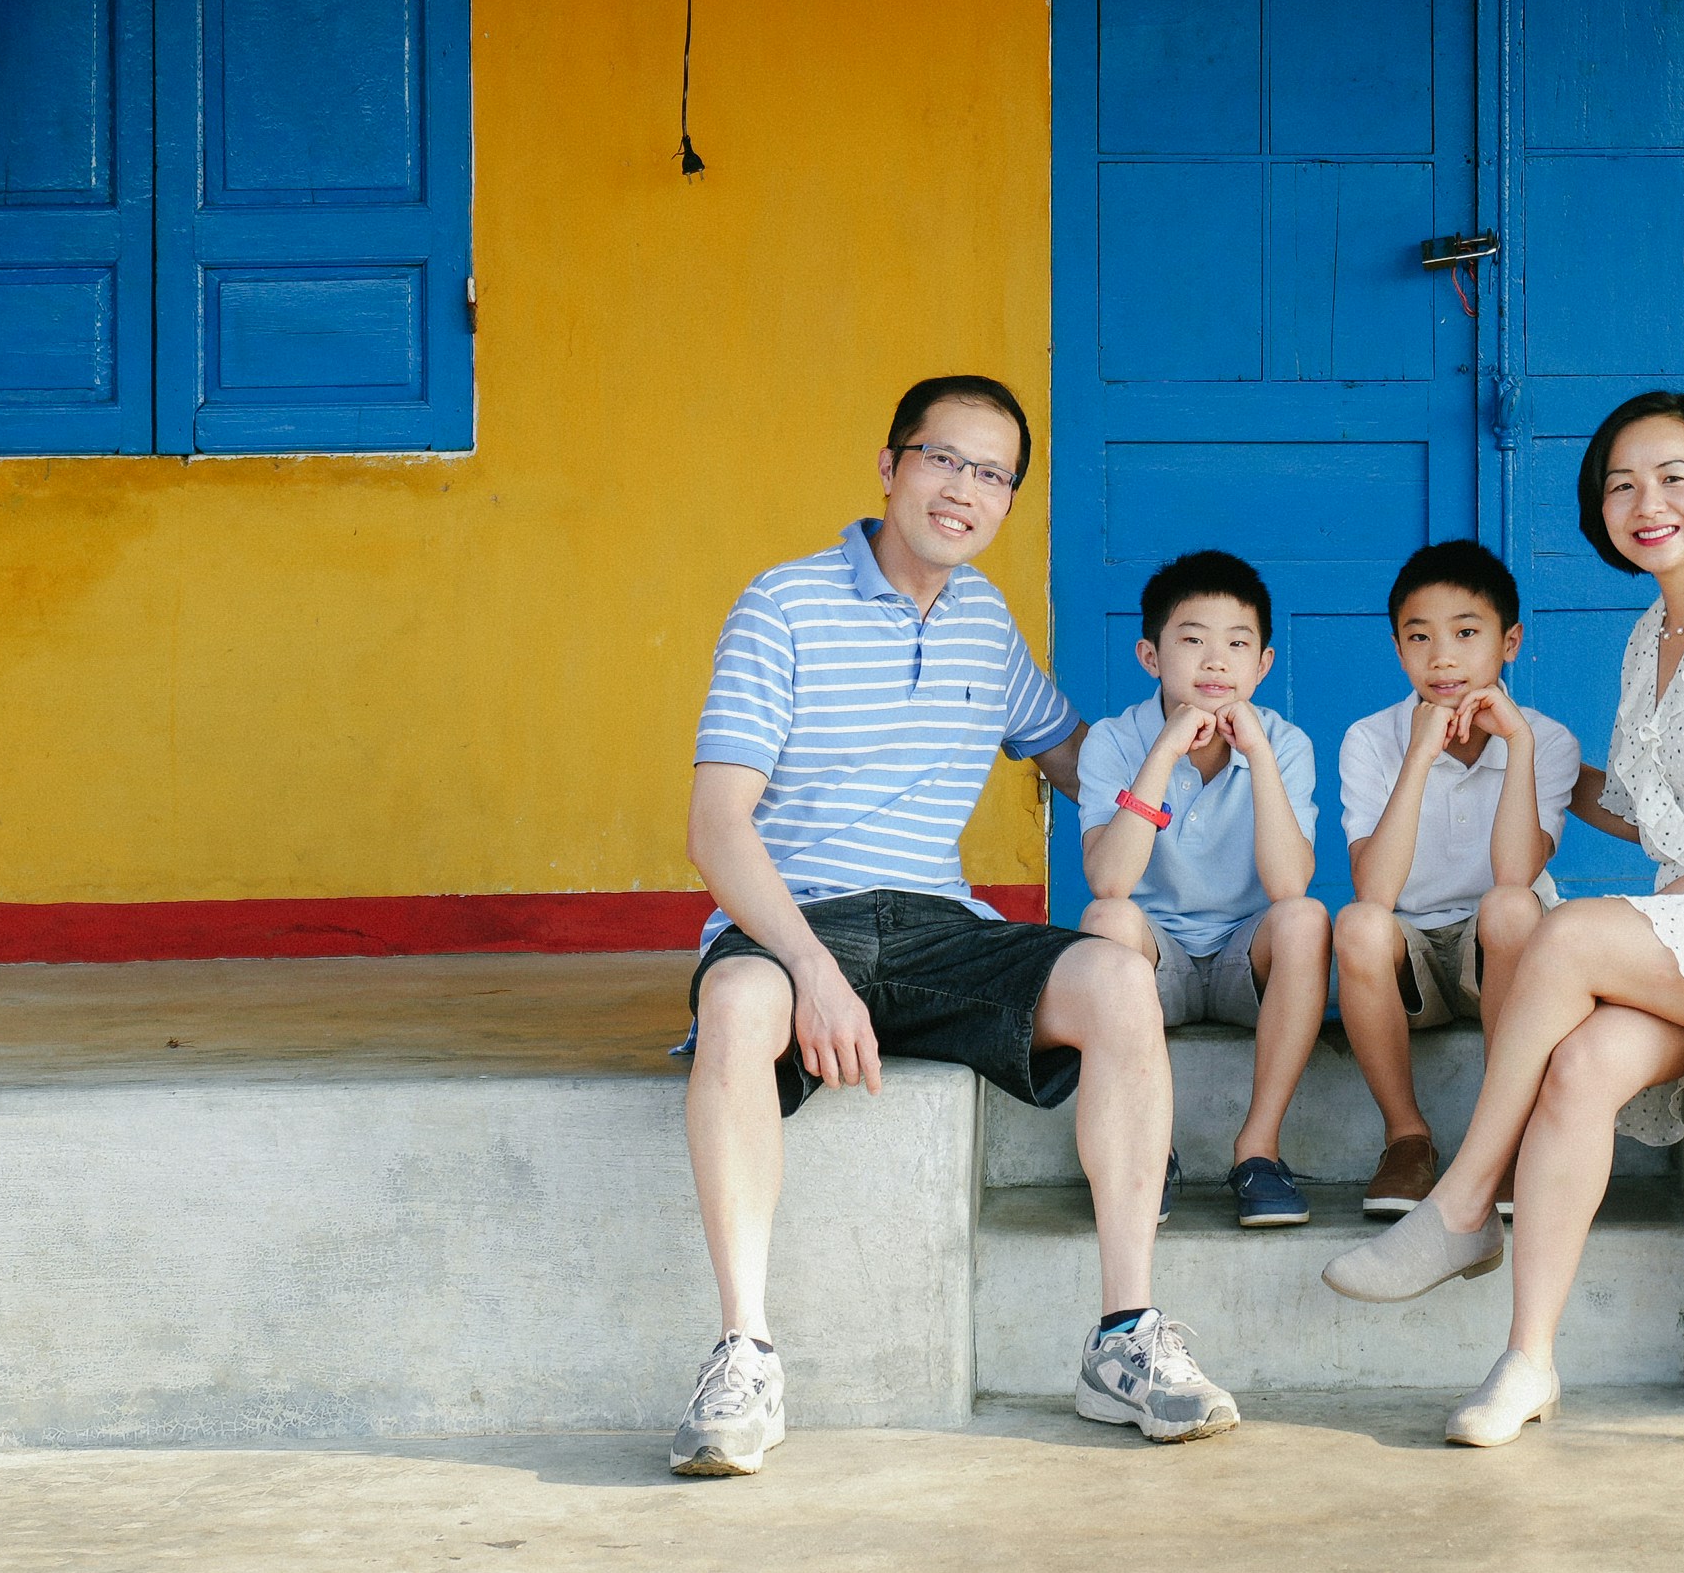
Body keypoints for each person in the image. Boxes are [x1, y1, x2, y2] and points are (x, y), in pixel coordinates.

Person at [672, 374, 1239, 1474]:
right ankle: (745, 1354)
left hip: (941, 929)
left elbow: (1071, 754)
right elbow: (715, 826)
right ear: (890, 468)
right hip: (802, 925)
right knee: (742, 1001)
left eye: (993, 474)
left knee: (1118, 981)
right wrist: (809, 969)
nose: (964, 489)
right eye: (944, 459)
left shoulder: (984, 621)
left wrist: (1189, 743)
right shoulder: (782, 604)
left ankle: (1125, 1338)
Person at [1323, 390, 1684, 1449]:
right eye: (1621, 485)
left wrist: (1677, 906)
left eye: (1675, 478)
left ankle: (1459, 1208)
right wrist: (1522, 755)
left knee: (1570, 931)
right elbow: (1645, 812)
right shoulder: (1654, 634)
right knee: (1583, 1065)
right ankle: (1528, 1362)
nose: (1647, 502)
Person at [1073, 550, 1330, 1229]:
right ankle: (1145, 1151)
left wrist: (1260, 759)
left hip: (1246, 963)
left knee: (1305, 918)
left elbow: (1287, 883)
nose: (1216, 663)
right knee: (1105, 918)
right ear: (1151, 656)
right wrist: (1163, 752)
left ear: (1262, 665)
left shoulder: (1286, 742)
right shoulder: (1112, 740)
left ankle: (1259, 1153)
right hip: (1155, 967)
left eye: (1236, 645)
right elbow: (1110, 878)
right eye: (1192, 641)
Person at [1331, 538, 1587, 1219]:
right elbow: (1375, 894)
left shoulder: (1548, 738)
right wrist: (1419, 753)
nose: (1442, 657)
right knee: (1356, 925)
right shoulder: (1369, 738)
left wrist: (1519, 746)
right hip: (1412, 962)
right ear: (1397, 649)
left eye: (1466, 634)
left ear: (1510, 642)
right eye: (1419, 637)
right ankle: (1407, 1138)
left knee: (1510, 907)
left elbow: (1515, 874)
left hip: (1506, 961)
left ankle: (1502, 1142)